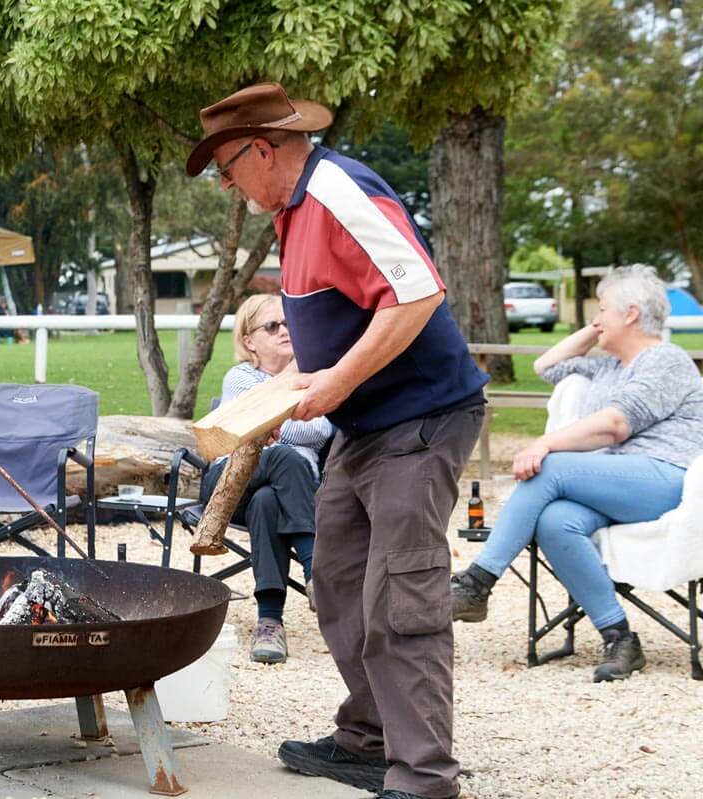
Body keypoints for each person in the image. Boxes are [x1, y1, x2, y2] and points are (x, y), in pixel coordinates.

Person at [187, 83, 487, 799]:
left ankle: (424, 774)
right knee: (338, 577)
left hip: (420, 417)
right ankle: (369, 739)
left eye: (227, 168)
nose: (226, 185)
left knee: (401, 592)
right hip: (364, 422)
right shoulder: (293, 214)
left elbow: (417, 293)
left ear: (262, 149)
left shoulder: (337, 191)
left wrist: (337, 381)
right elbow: (337, 324)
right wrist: (284, 392)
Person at [451, 266, 703, 682]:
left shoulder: (665, 360)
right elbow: (546, 365)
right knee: (556, 521)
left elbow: (617, 425)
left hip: (667, 479)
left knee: (549, 465)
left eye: (602, 309)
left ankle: (478, 582)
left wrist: (545, 443)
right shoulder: (608, 368)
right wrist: (596, 329)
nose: (595, 318)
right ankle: (619, 637)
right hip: (618, 483)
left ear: (632, 313)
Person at [201, 293, 333, 664]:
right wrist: (288, 418)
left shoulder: (315, 377)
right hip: (230, 486)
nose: (284, 331)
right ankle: (315, 570)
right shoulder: (241, 377)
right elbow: (265, 427)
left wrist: (275, 423)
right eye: (272, 326)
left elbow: (320, 430)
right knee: (284, 457)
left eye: (288, 323)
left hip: (285, 494)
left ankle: (269, 622)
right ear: (249, 341)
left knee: (268, 501)